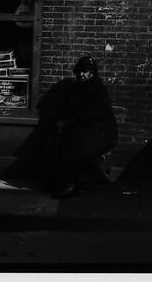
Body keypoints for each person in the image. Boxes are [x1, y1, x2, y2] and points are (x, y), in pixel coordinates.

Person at [41, 56, 118, 198]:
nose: (82, 74)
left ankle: (72, 183)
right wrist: (59, 120)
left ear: (93, 73)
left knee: (75, 143)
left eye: (86, 72)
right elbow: (66, 107)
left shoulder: (98, 91)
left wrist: (68, 122)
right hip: (79, 126)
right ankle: (57, 180)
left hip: (99, 130)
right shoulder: (75, 88)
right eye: (80, 71)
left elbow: (92, 114)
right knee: (54, 139)